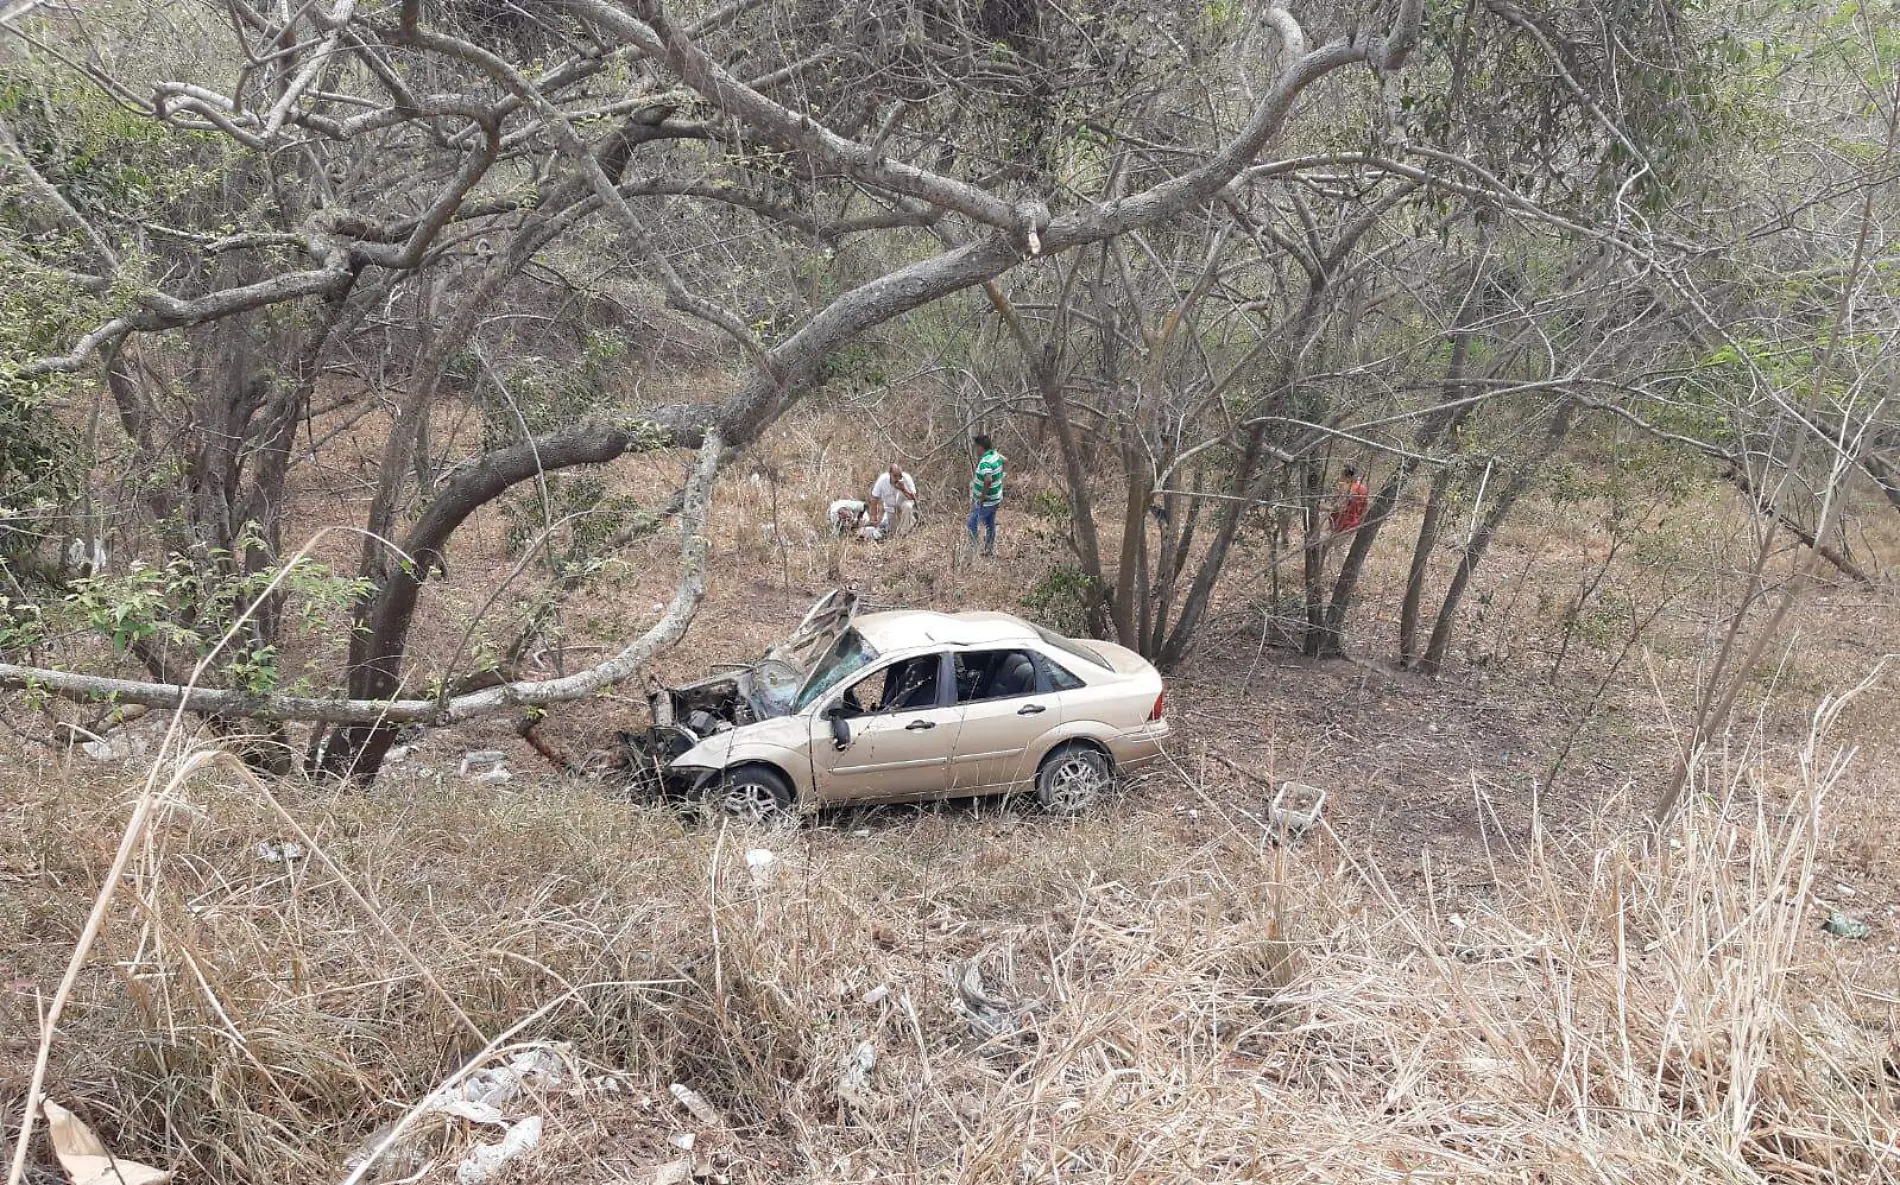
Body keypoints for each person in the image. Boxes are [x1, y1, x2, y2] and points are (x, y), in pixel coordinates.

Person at [966, 433, 1005, 556]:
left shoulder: (985, 463)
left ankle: (973, 552)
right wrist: (1001, 476)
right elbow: (1006, 461)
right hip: (996, 498)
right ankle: (988, 550)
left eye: (977, 447)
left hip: (987, 501)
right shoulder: (995, 455)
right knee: (989, 524)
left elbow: (988, 480)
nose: (976, 449)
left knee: (972, 524)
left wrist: (982, 499)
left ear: (980, 447)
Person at [868, 463, 918, 535]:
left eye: (900, 476)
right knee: (892, 532)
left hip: (904, 508)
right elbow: (874, 498)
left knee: (908, 506)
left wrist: (903, 490)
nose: (897, 479)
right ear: (890, 474)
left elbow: (915, 499)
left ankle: (903, 534)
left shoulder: (907, 478)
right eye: (895, 476)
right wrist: (873, 518)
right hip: (891, 510)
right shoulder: (883, 480)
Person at [1329, 465, 1370, 536]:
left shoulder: (1345, 489)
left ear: (1348, 477)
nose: (1340, 478)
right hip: (1355, 526)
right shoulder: (1364, 489)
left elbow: (1339, 508)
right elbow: (1365, 509)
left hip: (1341, 526)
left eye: (1342, 475)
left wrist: (1319, 508)